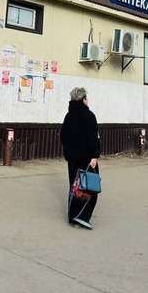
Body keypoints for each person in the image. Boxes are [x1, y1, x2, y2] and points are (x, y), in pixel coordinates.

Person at [61, 87, 101, 229]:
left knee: (75, 186)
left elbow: (63, 136)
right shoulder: (89, 116)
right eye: (86, 98)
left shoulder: (68, 116)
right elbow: (93, 138)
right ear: (83, 99)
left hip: (72, 159)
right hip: (87, 159)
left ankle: (72, 217)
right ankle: (82, 217)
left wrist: (68, 152)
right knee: (90, 187)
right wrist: (94, 156)